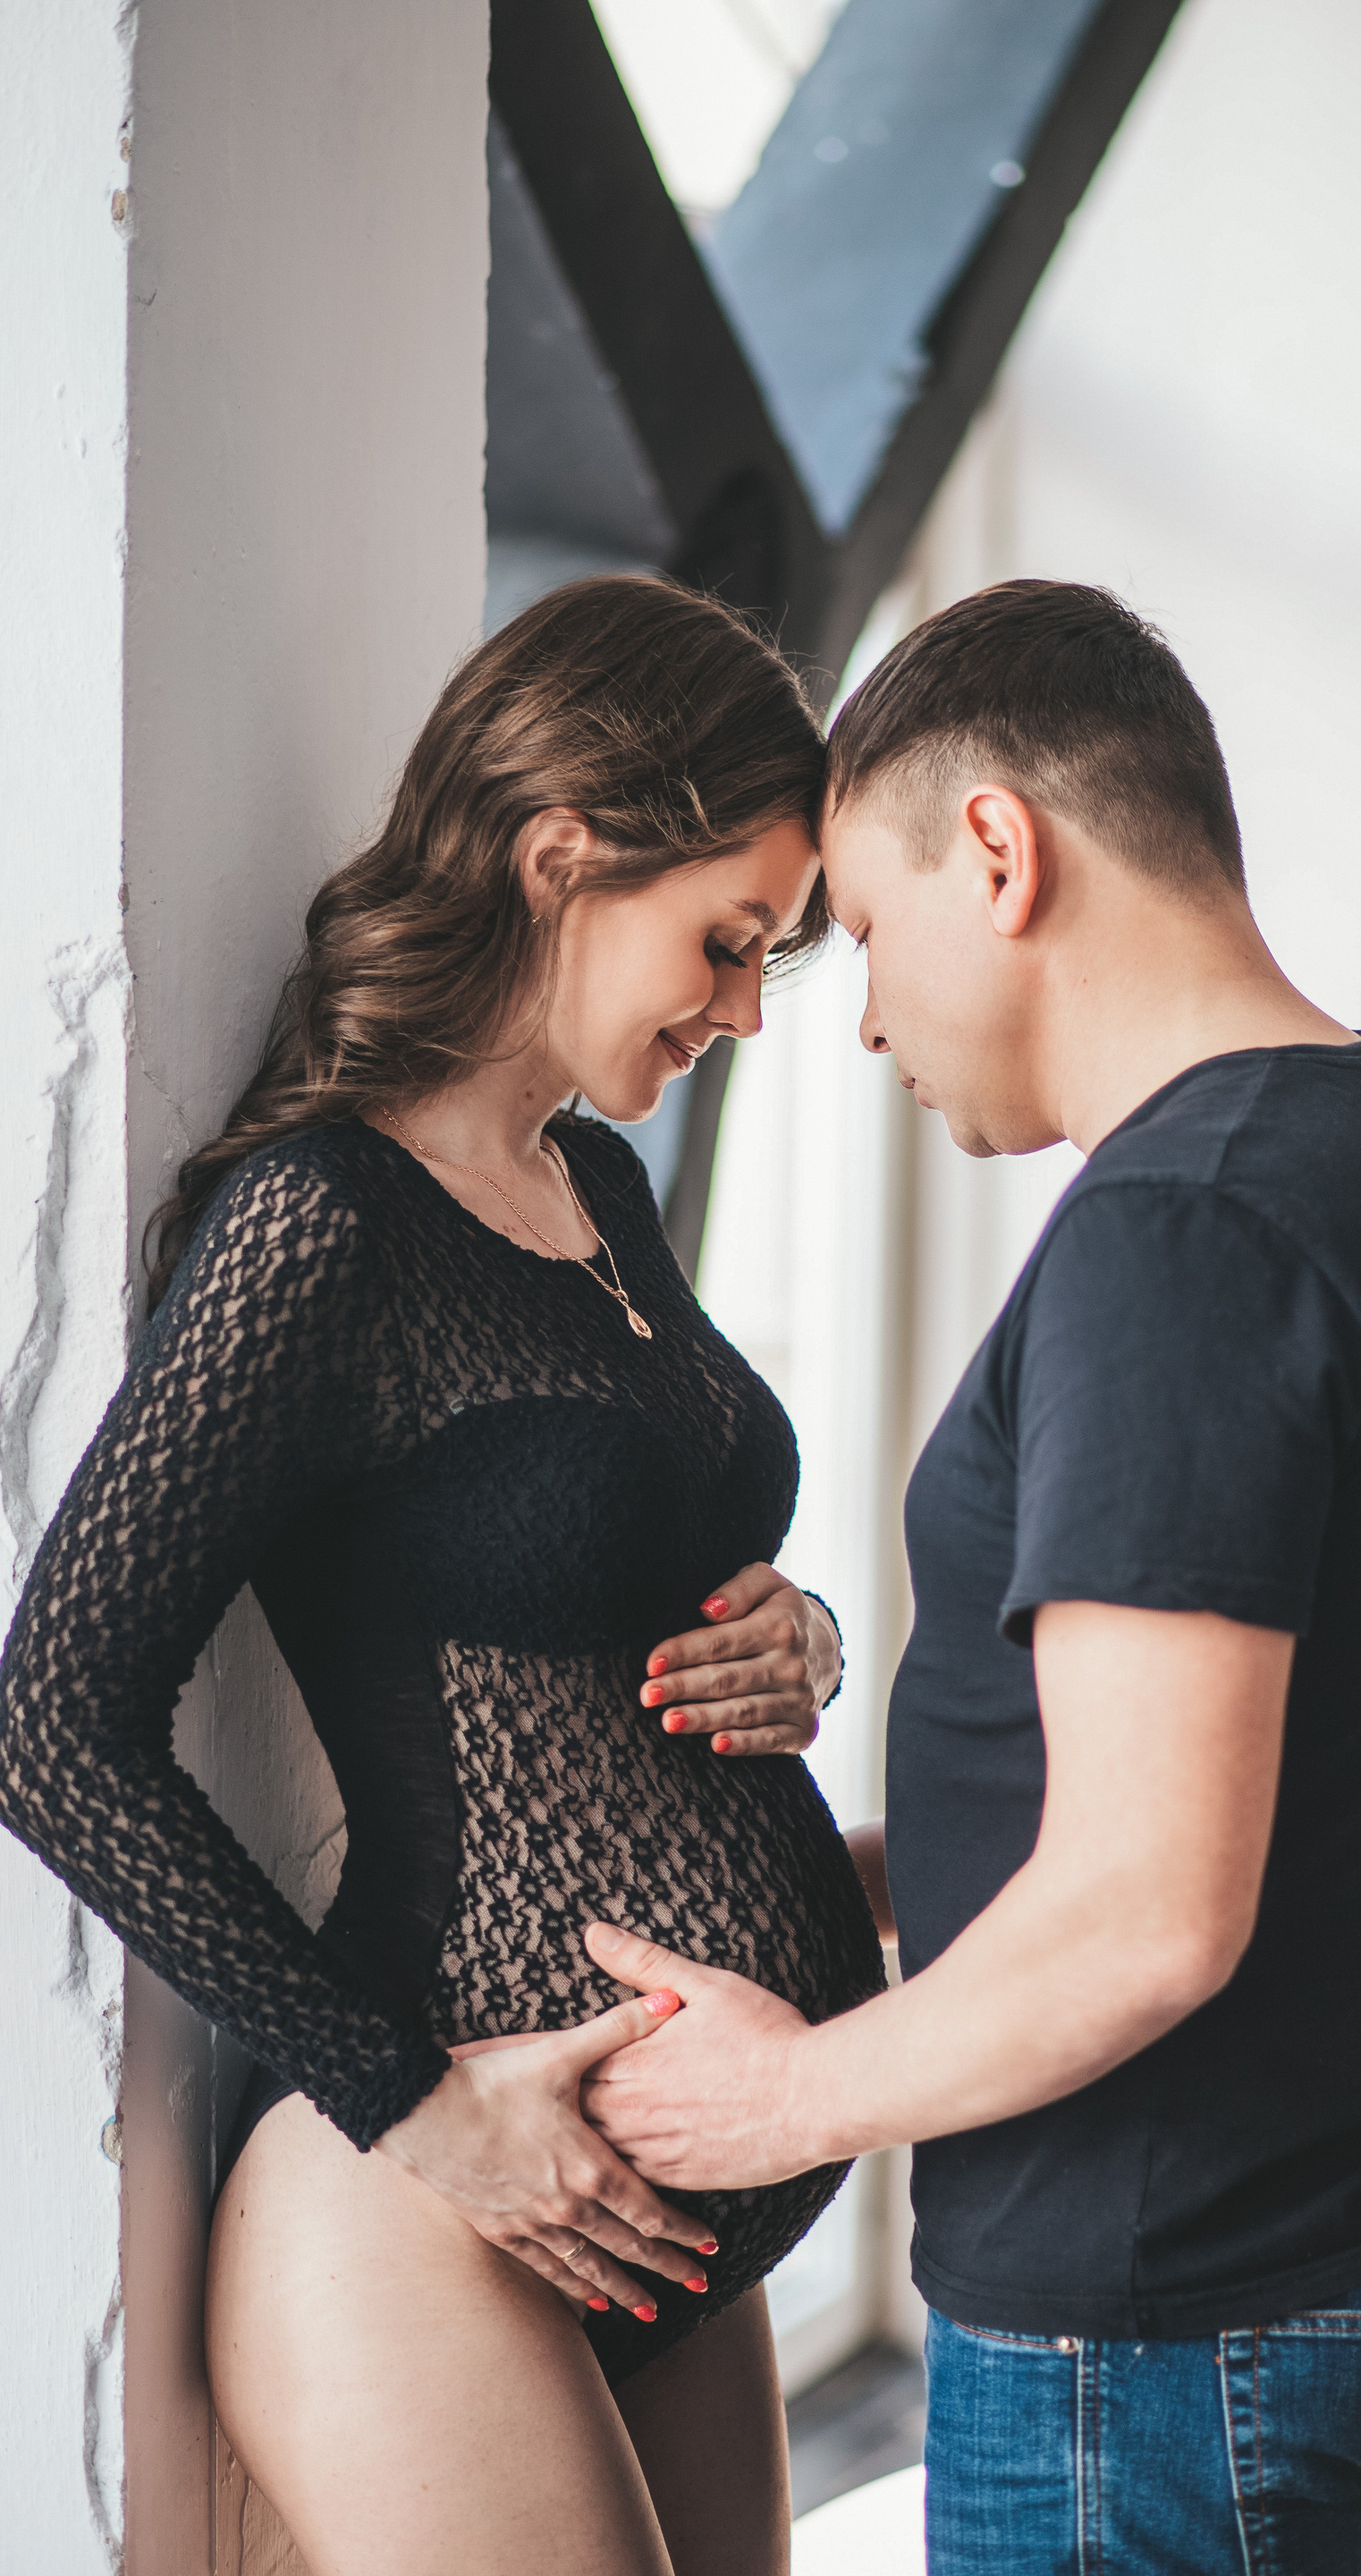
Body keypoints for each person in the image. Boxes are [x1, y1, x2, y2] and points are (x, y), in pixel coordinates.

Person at [579, 580, 1361, 2574]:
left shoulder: (1184, 1232)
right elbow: (1256, 1782)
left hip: (1175, 2315)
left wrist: (779, 2102)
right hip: (1345, 2223)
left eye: (870, 935)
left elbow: (1145, 1913)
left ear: (999, 852)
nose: (866, 1019)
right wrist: (837, 1883)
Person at [0, 575, 886, 2576]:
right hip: (431, 2203)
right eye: (727, 942)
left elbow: (629, 1561)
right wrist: (412, 2102)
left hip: (657, 2210)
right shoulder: (322, 1223)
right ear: (561, 858)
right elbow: (51, 1726)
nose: (747, 1011)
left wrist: (804, 1634)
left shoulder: (602, 1188)